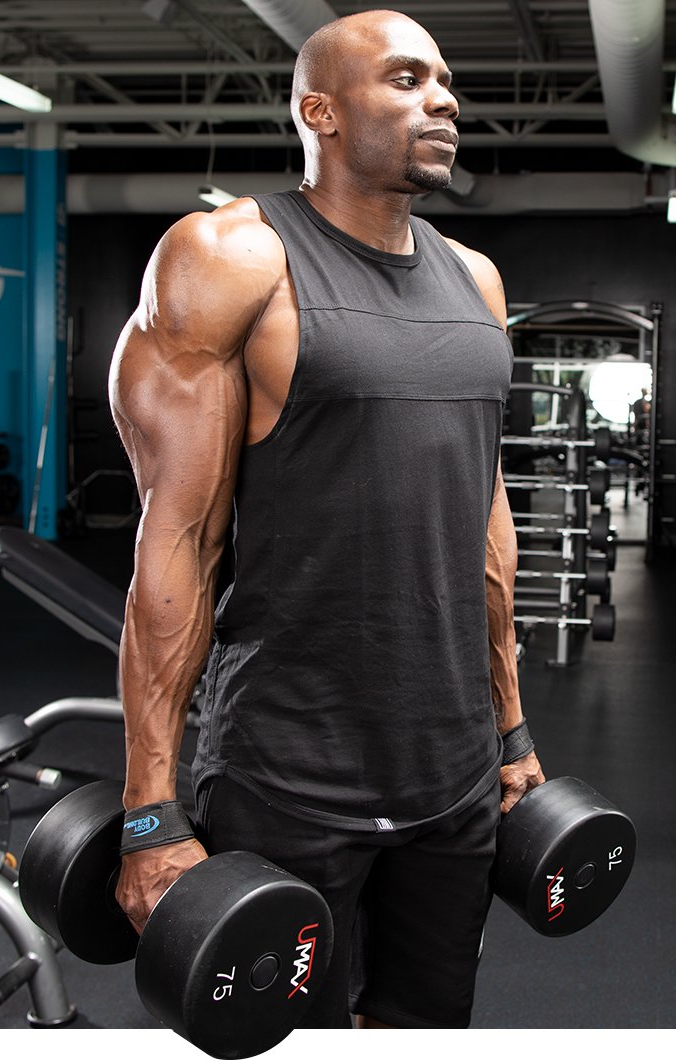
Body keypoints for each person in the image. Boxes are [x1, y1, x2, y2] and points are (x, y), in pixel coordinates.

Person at [107, 9, 544, 1030]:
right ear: (321, 111)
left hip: (451, 774)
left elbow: (483, 516)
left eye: (444, 80)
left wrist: (512, 725)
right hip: (286, 773)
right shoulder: (229, 260)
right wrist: (149, 811)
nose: (443, 99)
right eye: (405, 79)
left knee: (429, 1025)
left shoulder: (475, 282)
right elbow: (176, 544)